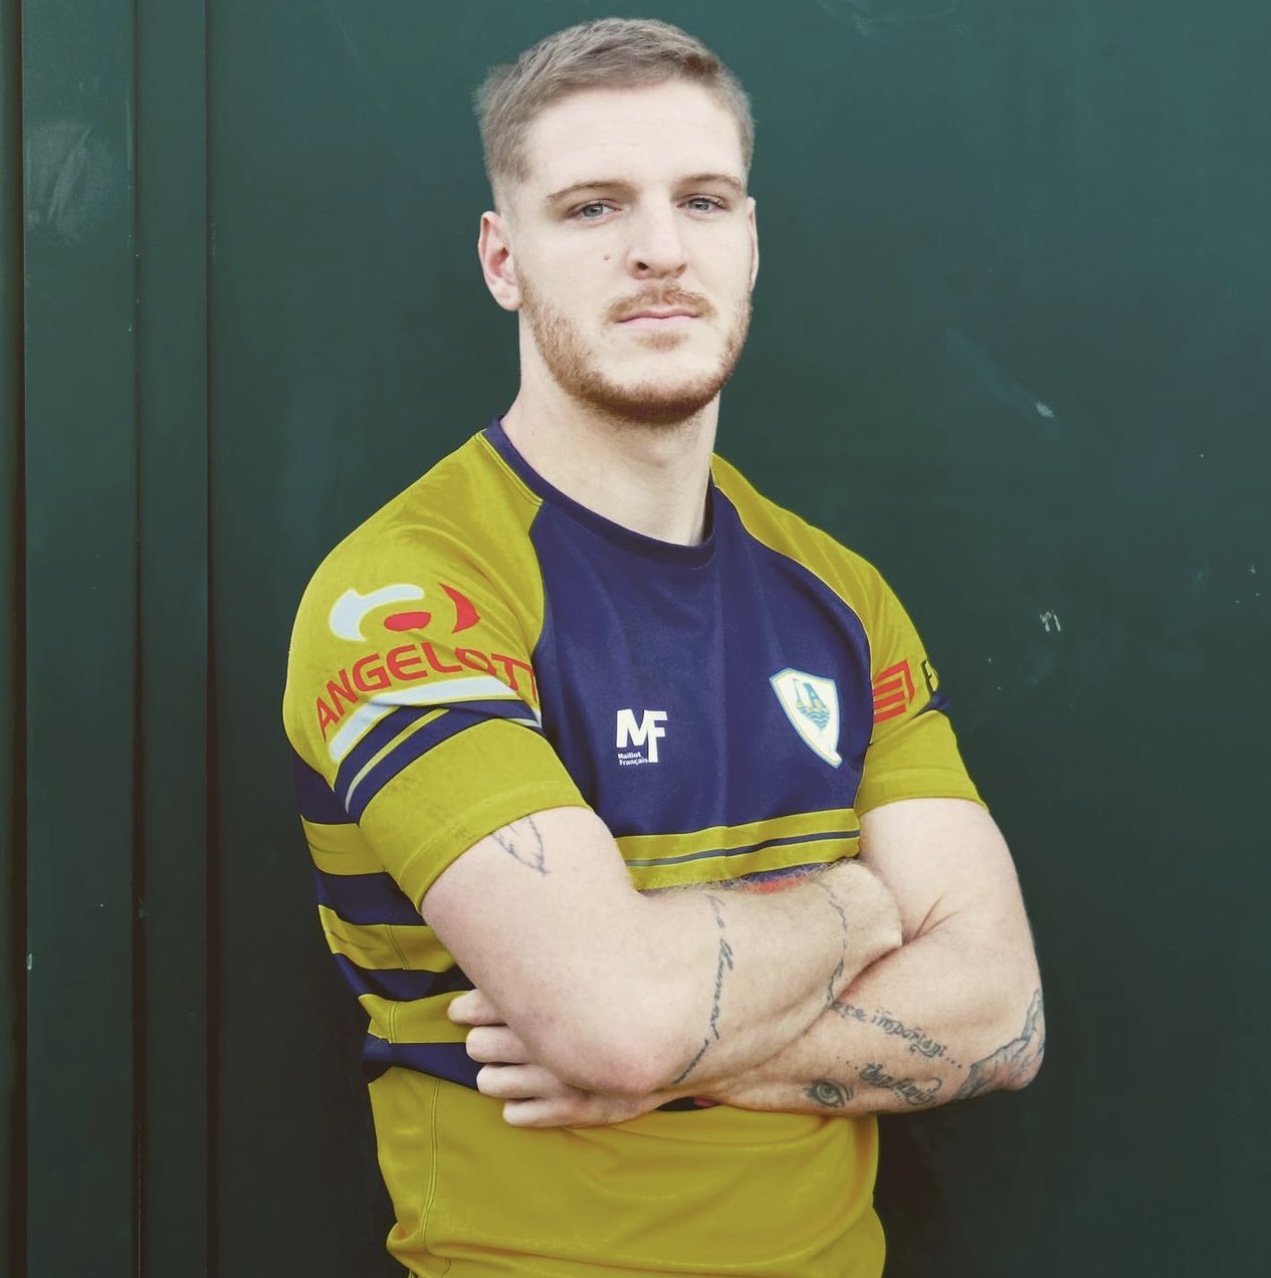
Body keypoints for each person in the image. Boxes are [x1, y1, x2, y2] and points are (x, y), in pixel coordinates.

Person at [282, 17, 1044, 1277]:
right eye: (593, 207)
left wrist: (674, 1041)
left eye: (703, 200)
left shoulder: (841, 597)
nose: (659, 249)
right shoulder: (411, 593)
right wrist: (860, 905)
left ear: (751, 242)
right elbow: (617, 1019)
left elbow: (1001, 1013)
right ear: (503, 258)